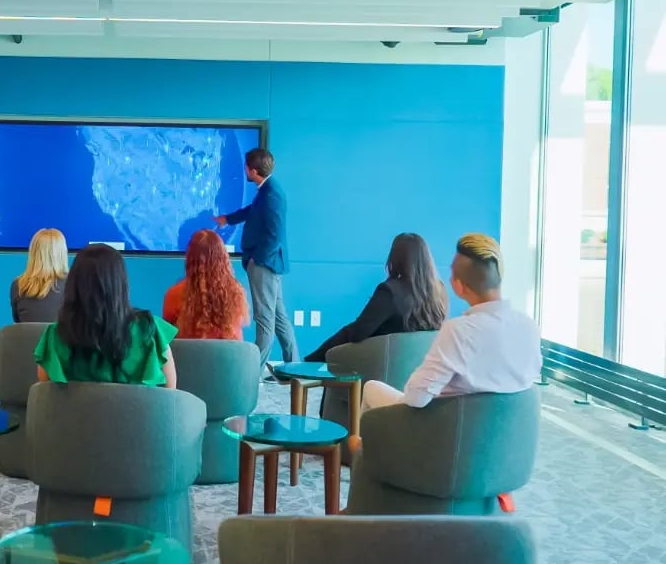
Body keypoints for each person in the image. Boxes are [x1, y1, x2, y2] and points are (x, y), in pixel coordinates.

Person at [361, 233, 540, 411]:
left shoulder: (459, 330)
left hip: (445, 424)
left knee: (371, 388)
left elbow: (416, 398)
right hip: (505, 426)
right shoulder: (529, 327)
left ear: (458, 286)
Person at [34, 243, 177, 388]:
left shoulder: (55, 336)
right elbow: (170, 396)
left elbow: (47, 397)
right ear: (121, 283)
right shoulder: (150, 331)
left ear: (74, 285)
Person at [305, 232, 449, 362]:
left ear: (395, 258)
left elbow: (357, 333)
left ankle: (308, 363)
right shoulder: (439, 291)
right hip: (421, 372)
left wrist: (315, 357)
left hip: (383, 370)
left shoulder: (390, 291)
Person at [215, 147, 298, 366]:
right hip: (268, 263)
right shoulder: (267, 189)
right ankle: (293, 366)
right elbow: (252, 211)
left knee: (264, 319)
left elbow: (275, 235)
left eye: (246, 167)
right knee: (278, 317)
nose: (244, 170)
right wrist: (227, 219)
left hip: (265, 265)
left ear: (253, 171)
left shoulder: (272, 195)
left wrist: (257, 260)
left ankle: (254, 372)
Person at [163, 229, 249, 340]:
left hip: (187, 352)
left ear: (190, 259)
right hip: (228, 351)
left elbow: (167, 338)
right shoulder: (236, 293)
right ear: (223, 258)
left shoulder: (173, 294)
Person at [10, 228, 69, 323]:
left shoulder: (18, 285)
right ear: (62, 253)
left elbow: (18, 323)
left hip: (28, 334)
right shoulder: (74, 284)